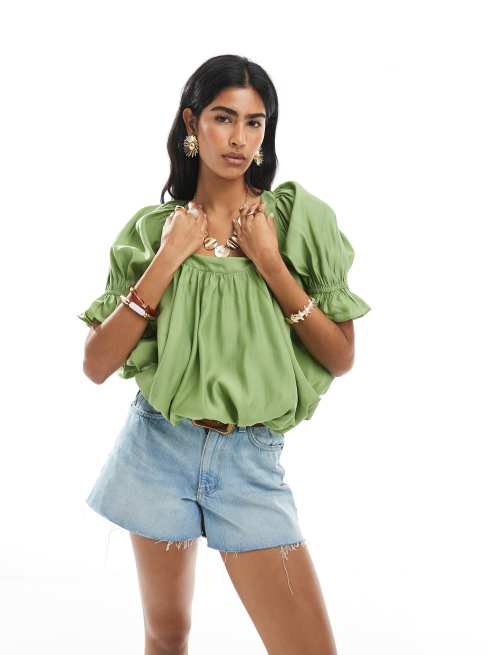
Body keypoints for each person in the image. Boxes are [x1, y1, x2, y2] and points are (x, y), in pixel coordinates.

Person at [78, 54, 371, 655]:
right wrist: (168, 257)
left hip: (249, 462)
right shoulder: (153, 231)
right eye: (223, 118)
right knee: (166, 635)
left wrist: (271, 263)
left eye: (254, 122)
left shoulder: (296, 221)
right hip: (158, 447)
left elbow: (340, 356)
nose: (239, 138)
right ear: (192, 123)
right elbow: (96, 364)